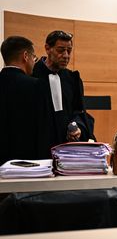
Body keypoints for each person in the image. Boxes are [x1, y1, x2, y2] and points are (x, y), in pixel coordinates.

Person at [32, 30, 95, 147]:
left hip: (66, 146)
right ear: (47, 48)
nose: (66, 56)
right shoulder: (32, 76)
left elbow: (79, 112)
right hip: (38, 144)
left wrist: (78, 128)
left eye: (69, 51)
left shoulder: (72, 79)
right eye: (60, 50)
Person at [0, 36, 51, 164]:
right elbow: (43, 131)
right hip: (27, 165)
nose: (34, 62)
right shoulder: (37, 86)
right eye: (34, 57)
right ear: (25, 56)